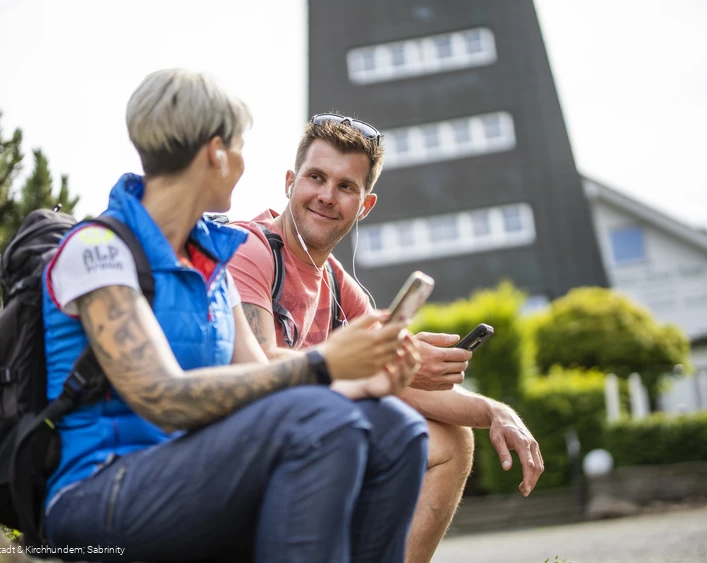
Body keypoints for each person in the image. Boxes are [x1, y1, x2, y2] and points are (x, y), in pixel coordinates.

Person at [41, 71, 430, 562]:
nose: (244, 163)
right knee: (322, 421)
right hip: (100, 492)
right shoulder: (98, 249)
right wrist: (326, 364)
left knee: (397, 429)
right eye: (241, 147)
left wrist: (361, 382)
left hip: (194, 466)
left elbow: (259, 378)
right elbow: (163, 397)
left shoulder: (210, 263)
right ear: (216, 153)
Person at [227, 113, 545, 563]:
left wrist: (496, 412)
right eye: (316, 177)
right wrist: (386, 365)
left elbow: (406, 382)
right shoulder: (250, 249)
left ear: (365, 206)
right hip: (241, 444)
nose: (327, 195)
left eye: (346, 186)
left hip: (313, 436)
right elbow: (258, 368)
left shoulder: (339, 286)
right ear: (289, 183)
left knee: (453, 441)